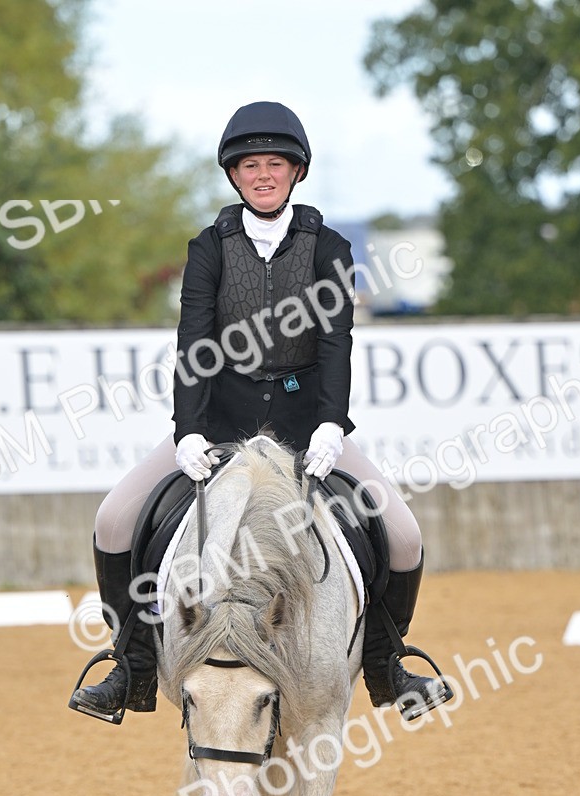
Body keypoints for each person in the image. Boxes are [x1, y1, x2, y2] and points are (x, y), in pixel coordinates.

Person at [69, 101, 449, 723]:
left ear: (297, 171)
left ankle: (386, 661)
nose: (263, 174)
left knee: (403, 536)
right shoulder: (209, 249)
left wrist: (331, 422)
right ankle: (131, 665)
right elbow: (194, 343)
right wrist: (188, 430)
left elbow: (335, 342)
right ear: (234, 175)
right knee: (114, 520)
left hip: (308, 426)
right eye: (251, 165)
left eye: (276, 163)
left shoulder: (329, 247)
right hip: (221, 421)